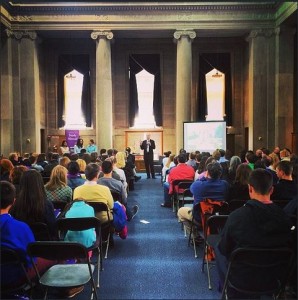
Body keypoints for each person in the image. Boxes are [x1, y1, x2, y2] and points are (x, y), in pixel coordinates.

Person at [215, 169, 292, 294]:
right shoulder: (285, 218)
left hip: (241, 279)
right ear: (272, 190)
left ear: (250, 189)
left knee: (218, 249)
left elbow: (225, 248)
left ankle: (225, 291)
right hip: (274, 278)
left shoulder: (236, 217)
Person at [0, 181, 53, 292]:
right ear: (13, 201)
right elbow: (30, 258)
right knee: (55, 258)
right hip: (12, 276)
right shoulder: (20, 227)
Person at [177, 161, 229, 226]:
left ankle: (194, 234)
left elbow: (191, 188)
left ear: (207, 173)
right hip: (219, 218)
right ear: (220, 174)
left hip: (200, 218)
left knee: (180, 211)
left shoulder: (198, 185)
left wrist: (204, 177)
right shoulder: (225, 184)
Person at [9, 169, 57, 238]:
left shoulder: (14, 205)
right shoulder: (47, 205)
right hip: (44, 245)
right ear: (40, 183)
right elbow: (53, 229)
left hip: (21, 244)